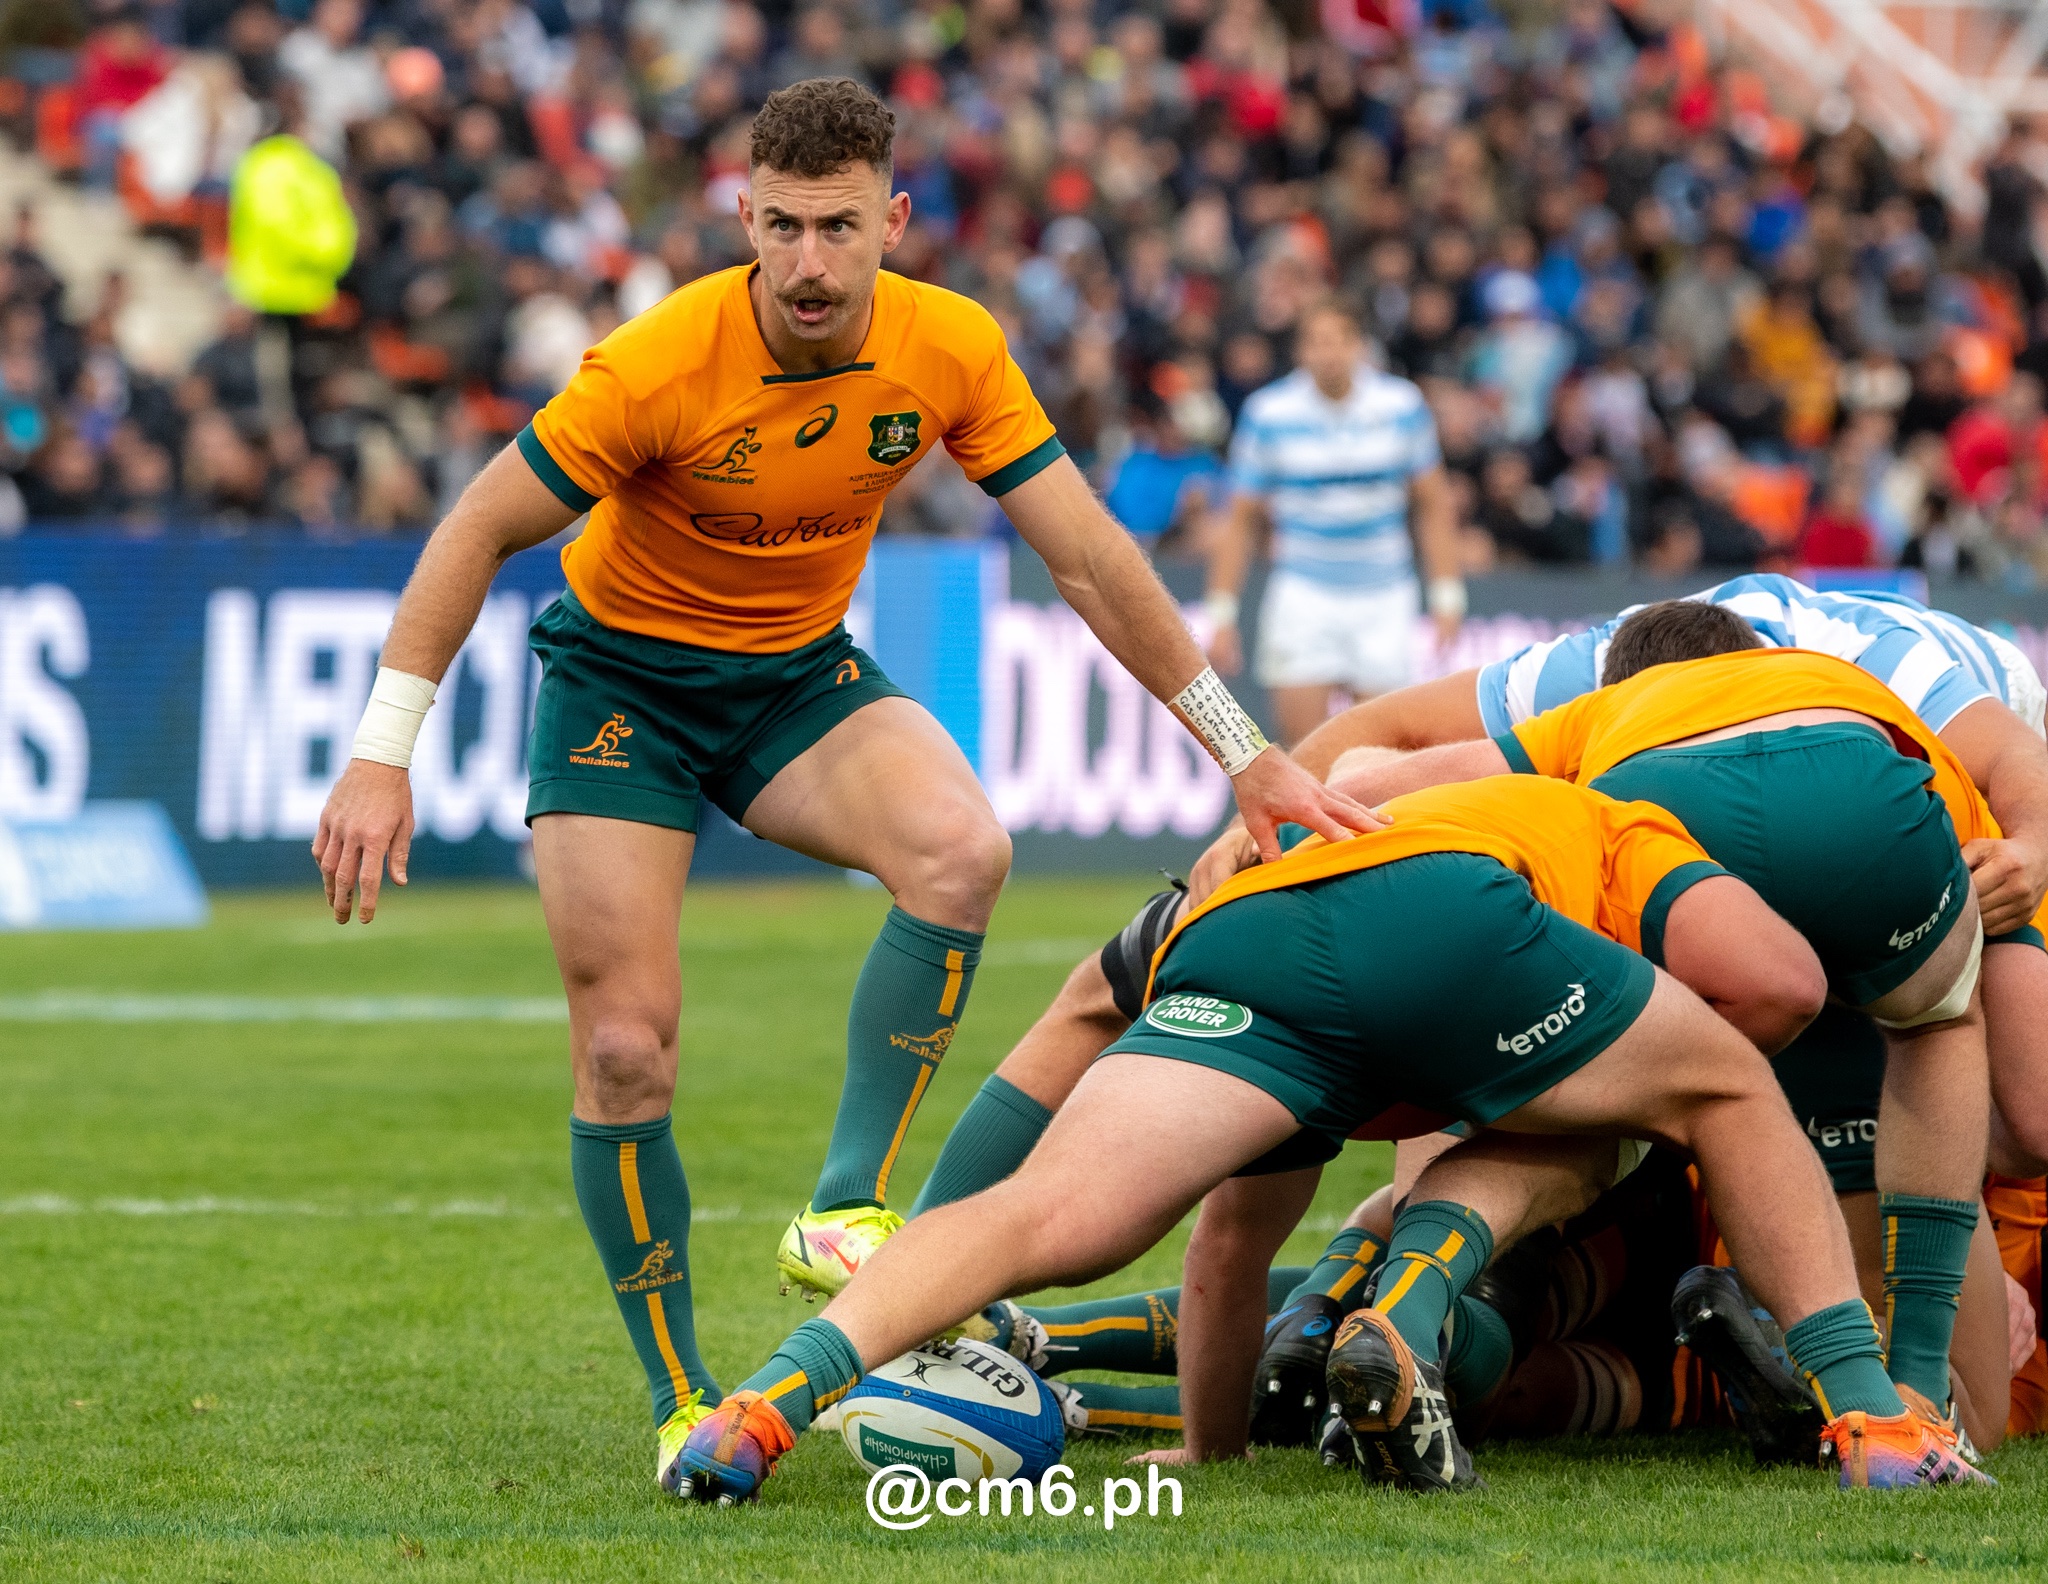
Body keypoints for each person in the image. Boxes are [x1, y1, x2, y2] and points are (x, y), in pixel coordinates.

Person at [310, 78, 1369, 1500]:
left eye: (842, 229)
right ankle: (684, 1392)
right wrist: (385, 748)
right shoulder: (658, 365)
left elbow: (1095, 560)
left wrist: (1245, 747)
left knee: (962, 849)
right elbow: (475, 527)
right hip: (622, 690)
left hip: (796, 676)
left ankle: (843, 1209)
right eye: (785, 228)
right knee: (627, 1049)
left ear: (895, 223)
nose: (810, 263)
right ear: (744, 217)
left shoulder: (949, 348)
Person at [669, 775, 1978, 1500]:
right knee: (1715, 1091)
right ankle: (1871, 1419)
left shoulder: (1381, 793)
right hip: (1445, 922)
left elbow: (1233, 1242)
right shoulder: (1617, 820)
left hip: (1243, 934)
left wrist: (1216, 1448)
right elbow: (1774, 984)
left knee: (1053, 1219)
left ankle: (762, 1406)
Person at [1317, 606, 1994, 1448]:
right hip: (1858, 793)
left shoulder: (1605, 712)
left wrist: (1245, 831)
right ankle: (1917, 1393)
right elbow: (2029, 1104)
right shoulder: (1857, 685)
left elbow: (1395, 785)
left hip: (1661, 805)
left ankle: (1407, 1310)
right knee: (1940, 1021)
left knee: (1585, 1083)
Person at [1202, 300, 1462, 747]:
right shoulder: (1269, 414)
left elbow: (1433, 503)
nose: (1331, 352)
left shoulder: (1400, 406)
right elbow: (1241, 518)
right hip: (1305, 594)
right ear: (1302, 351)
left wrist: (1447, 594)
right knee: (1304, 754)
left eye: (1341, 339)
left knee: (1381, 757)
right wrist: (1222, 612)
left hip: (1384, 593)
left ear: (1359, 345)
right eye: (1319, 342)